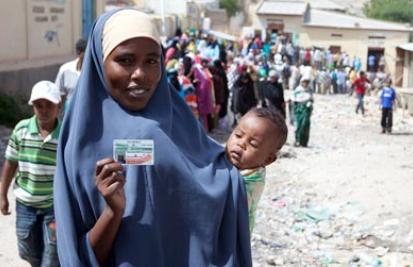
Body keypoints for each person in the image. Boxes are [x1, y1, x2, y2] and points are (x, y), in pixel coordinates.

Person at [53, 9, 252, 266]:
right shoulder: (79, 143)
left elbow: (210, 187)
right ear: (100, 62)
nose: (140, 74)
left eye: (151, 60)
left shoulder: (176, 125)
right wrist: (113, 211)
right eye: (125, 61)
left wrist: (241, 171)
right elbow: (81, 255)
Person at [0, 81, 61, 266]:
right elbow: (11, 162)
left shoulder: (65, 134)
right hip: (26, 203)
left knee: (52, 252)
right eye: (38, 105)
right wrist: (2, 195)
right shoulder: (21, 130)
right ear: (32, 106)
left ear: (59, 105)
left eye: (49, 105)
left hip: (53, 205)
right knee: (27, 250)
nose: (44, 110)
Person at [225, 107, 287, 232]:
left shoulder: (248, 184)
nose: (241, 144)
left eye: (252, 144)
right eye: (238, 135)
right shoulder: (241, 163)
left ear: (268, 160)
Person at [54, 38, 87, 110]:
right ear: (79, 53)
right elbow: (59, 95)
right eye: (85, 55)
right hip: (70, 110)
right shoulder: (65, 70)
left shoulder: (97, 70)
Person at [293, 77, 314, 147]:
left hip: (307, 109)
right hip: (299, 109)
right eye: (304, 82)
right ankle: (297, 140)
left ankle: (304, 142)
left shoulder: (309, 90)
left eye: (307, 82)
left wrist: (310, 103)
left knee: (305, 125)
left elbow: (311, 99)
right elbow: (294, 100)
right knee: (299, 125)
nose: (305, 84)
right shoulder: (297, 90)